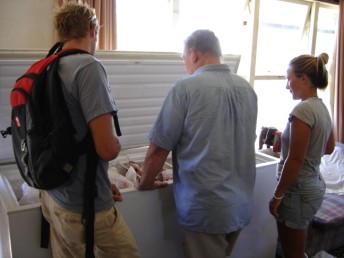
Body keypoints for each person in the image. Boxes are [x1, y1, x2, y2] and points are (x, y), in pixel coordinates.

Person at [139, 29, 258, 258]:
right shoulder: (247, 89)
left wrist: (144, 183)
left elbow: (158, 149)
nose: (186, 65)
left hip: (205, 207)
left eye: (184, 59)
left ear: (193, 54)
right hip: (240, 204)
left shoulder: (185, 88)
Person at [39, 3, 140, 258]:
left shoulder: (48, 66)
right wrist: (116, 144)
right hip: (82, 208)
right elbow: (106, 148)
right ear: (93, 29)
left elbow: (67, 138)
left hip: (52, 197)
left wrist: (102, 181)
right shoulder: (88, 68)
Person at [269, 53, 335, 258]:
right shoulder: (322, 107)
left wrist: (277, 195)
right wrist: (306, 148)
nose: (287, 86)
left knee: (292, 253)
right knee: (297, 250)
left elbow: (295, 160)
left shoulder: (302, 111)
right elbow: (329, 148)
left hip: (298, 191)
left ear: (304, 78)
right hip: (314, 186)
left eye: (289, 79)